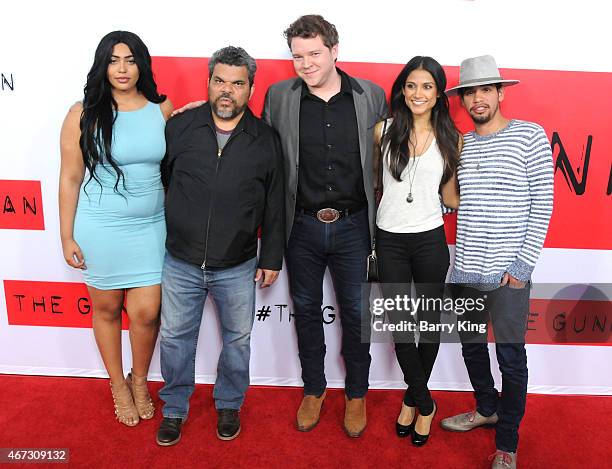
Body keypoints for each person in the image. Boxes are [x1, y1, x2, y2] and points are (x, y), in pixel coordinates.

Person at [262, 15, 387, 438]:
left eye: (314, 53)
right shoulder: (279, 97)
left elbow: (390, 157)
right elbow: (260, 152)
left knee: (355, 314)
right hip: (302, 227)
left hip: (355, 226)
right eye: (298, 56)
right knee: (307, 311)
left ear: (335, 50)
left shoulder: (370, 95)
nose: (306, 63)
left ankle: (356, 394)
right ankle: (314, 389)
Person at [155, 46, 284, 446]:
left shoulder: (265, 139)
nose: (226, 91)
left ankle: (229, 403)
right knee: (175, 337)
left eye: (237, 83)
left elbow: (275, 200)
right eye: (219, 81)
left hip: (238, 263)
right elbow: (162, 179)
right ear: (208, 82)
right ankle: (174, 408)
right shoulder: (179, 128)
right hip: (181, 260)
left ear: (251, 87)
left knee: (238, 340)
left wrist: (273, 256)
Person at [440, 55, 554, 469]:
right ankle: (486, 408)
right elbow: (450, 204)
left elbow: (543, 203)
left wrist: (522, 268)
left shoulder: (530, 136)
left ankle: (507, 442)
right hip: (466, 270)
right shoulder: (463, 143)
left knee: (510, 357)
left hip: (509, 275)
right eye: (469, 92)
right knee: (472, 350)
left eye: (485, 89)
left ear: (500, 93)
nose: (477, 99)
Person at [59, 30, 173, 427]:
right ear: (102, 66)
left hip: (151, 227)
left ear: (141, 63)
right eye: (112, 60)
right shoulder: (82, 113)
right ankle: (118, 386)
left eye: (129, 59)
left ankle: (139, 380)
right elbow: (70, 177)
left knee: (146, 312)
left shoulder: (161, 109)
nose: (122, 68)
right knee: (106, 310)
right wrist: (66, 235)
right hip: (100, 227)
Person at [373, 56, 460, 446]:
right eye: (411, 85)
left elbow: (450, 198)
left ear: (439, 93)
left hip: (430, 240)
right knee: (400, 325)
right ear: (402, 90)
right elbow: (372, 181)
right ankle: (426, 402)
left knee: (427, 324)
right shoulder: (383, 131)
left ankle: (411, 399)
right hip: (389, 237)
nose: (418, 93)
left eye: (426, 86)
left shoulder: (451, 137)